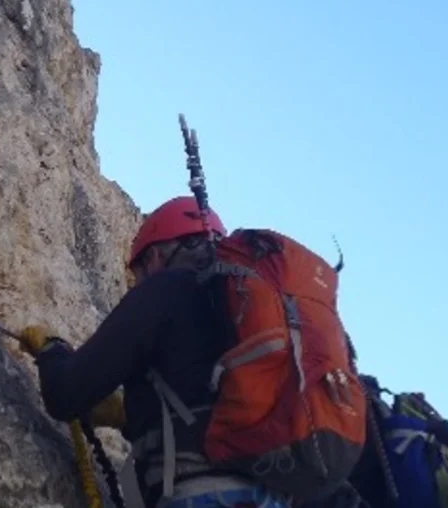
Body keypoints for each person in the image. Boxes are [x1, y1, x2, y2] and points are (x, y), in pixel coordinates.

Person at [19, 195, 292, 508]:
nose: (136, 283)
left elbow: (66, 394)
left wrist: (52, 351)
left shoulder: (167, 288)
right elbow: (202, 402)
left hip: (202, 496)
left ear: (155, 257)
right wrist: (127, 418)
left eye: (137, 273)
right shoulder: (248, 317)